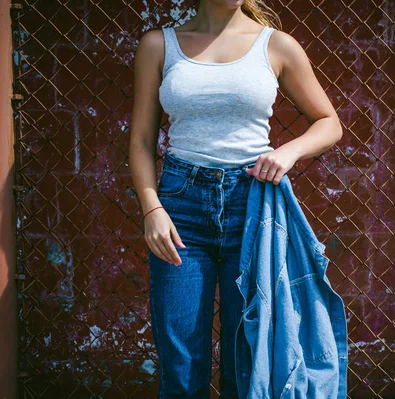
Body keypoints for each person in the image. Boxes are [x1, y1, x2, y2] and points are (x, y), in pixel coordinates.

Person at [128, 0, 342, 397]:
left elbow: (329, 122)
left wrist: (288, 152)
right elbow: (141, 140)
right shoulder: (160, 45)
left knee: (246, 357)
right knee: (181, 361)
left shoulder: (277, 45)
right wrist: (151, 208)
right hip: (180, 206)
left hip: (254, 205)